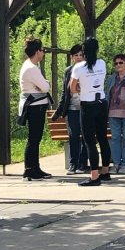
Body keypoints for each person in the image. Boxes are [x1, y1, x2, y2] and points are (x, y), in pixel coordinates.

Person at [70, 37, 112, 187]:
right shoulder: (102, 63)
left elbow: (72, 88)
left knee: (89, 140)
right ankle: (105, 171)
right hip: (102, 102)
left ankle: (94, 175)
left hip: (88, 104)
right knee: (103, 137)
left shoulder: (79, 67)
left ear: (84, 51)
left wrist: (82, 89)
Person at [18, 36, 53, 181]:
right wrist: (45, 83)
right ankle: (29, 169)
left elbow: (42, 86)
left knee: (35, 138)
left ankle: (35, 168)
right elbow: (45, 87)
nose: (43, 53)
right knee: (34, 138)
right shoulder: (31, 68)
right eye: (42, 50)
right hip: (35, 107)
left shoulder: (29, 66)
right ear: (37, 51)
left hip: (35, 106)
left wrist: (42, 84)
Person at [52, 44, 89, 175]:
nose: (78, 57)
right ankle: (73, 163)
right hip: (72, 108)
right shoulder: (69, 71)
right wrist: (59, 111)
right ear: (72, 57)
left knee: (86, 136)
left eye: (81, 55)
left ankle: (83, 163)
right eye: (76, 55)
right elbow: (65, 92)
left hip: (86, 107)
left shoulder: (90, 69)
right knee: (73, 136)